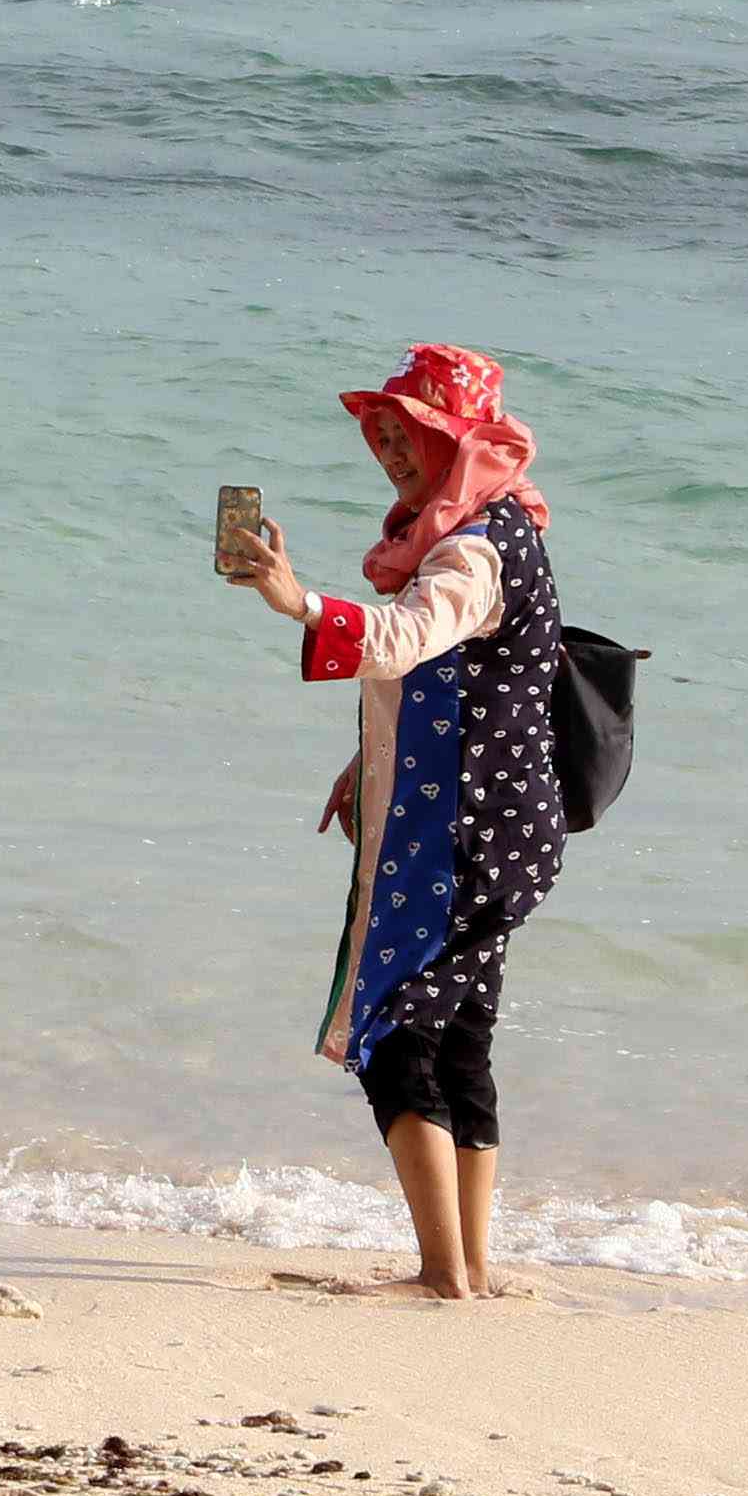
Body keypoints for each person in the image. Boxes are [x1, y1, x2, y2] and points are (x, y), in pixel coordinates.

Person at [225, 343, 566, 1303]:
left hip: (461, 837)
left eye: (408, 435)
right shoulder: (500, 528)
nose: (390, 454)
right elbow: (476, 686)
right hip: (506, 826)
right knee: (463, 1034)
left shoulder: (471, 550)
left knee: (391, 1032)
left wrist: (297, 603)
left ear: (457, 441)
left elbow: (410, 638)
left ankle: (441, 1272)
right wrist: (365, 761)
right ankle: (469, 1268)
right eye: (381, 438)